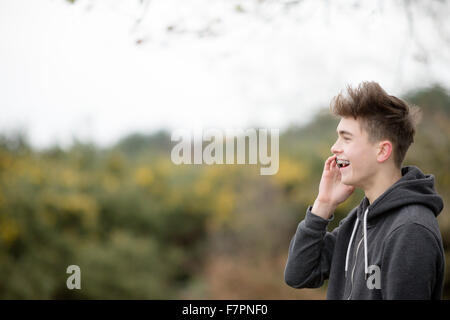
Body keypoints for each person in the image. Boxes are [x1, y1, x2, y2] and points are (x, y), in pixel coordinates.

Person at [284, 81, 445, 299]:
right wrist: (324, 203)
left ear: (382, 151)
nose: (334, 147)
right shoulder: (359, 221)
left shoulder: (411, 230)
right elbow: (299, 274)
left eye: (346, 137)